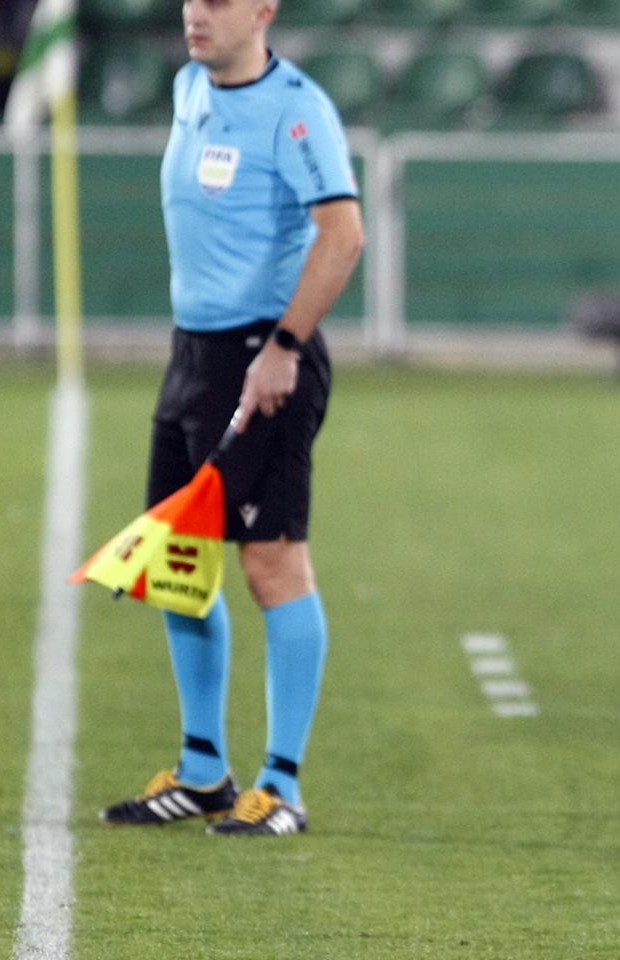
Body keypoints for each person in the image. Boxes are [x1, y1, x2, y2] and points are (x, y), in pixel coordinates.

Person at [100, 0, 364, 837]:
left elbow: (343, 233)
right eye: (190, 0)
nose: (194, 14)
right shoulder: (188, 90)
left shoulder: (297, 110)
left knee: (271, 565)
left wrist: (285, 344)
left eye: (216, 1)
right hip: (194, 357)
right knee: (176, 559)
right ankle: (206, 770)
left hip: (265, 360)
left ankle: (281, 784)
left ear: (263, 10)